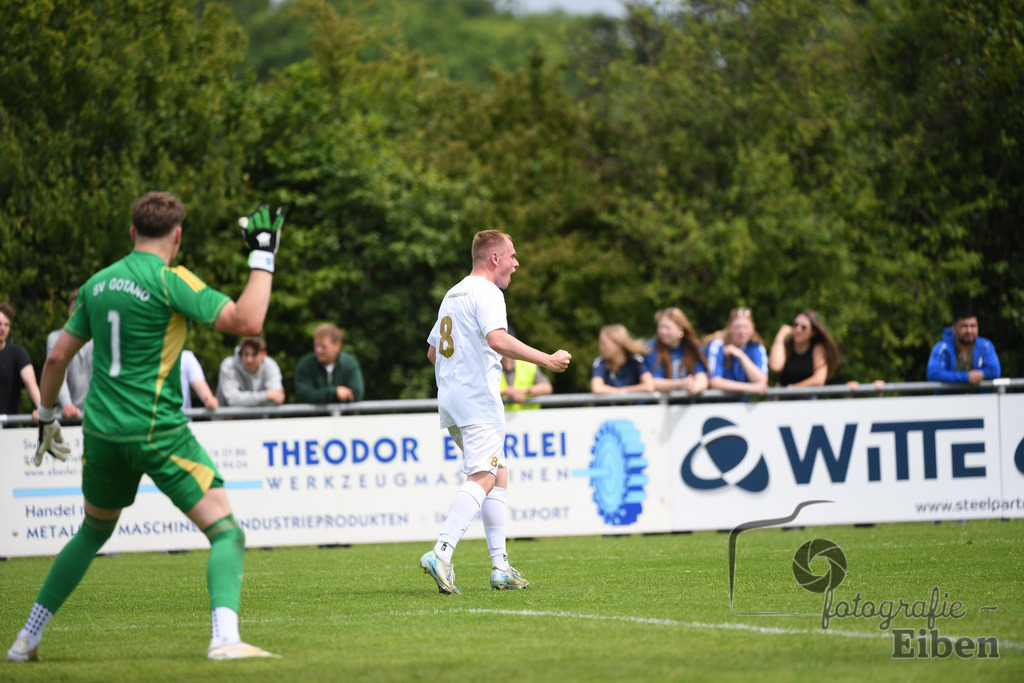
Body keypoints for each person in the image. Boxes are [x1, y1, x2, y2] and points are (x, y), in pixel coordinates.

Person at [7, 193, 285, 662]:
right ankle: (224, 639)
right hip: (157, 429)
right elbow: (248, 320)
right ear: (178, 236)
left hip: (102, 433)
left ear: (132, 232)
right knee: (226, 533)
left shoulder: (96, 284)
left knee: (92, 532)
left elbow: (56, 358)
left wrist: (48, 415)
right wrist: (263, 255)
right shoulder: (169, 280)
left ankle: (25, 639)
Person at [421, 230, 571, 595]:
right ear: (494, 258)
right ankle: (441, 551)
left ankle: (500, 566)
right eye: (512, 256)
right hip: (478, 401)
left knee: (498, 473)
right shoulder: (487, 292)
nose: (516, 263)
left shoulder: (453, 293)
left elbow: (432, 353)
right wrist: (546, 359)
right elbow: (497, 339)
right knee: (485, 475)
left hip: (453, 400)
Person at [46, 289, 94, 420]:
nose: (78, 314)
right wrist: (67, 404)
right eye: (75, 309)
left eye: (82, 309)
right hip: (62, 415)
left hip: (91, 415)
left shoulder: (98, 339)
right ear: (69, 311)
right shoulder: (55, 338)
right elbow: (56, 371)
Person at [926, 307, 1001, 385]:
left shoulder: (985, 345)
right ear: (954, 328)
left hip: (977, 393)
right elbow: (933, 374)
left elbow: (995, 371)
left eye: (973, 326)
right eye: (964, 326)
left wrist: (977, 375)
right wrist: (966, 377)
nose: (969, 331)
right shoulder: (942, 348)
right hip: (950, 393)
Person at [293, 324, 365, 404]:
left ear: (337, 346)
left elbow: (356, 394)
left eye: (323, 346)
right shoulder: (306, 364)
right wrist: (334, 392)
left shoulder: (349, 363)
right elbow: (303, 395)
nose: (318, 350)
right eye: (316, 345)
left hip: (344, 413)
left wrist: (320, 396)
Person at [705, 307, 768, 396]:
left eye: (745, 327)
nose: (742, 331)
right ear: (730, 328)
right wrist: (749, 388)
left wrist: (741, 355)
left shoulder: (756, 347)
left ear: (752, 328)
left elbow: (762, 380)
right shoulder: (717, 345)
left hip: (742, 403)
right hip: (716, 402)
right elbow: (714, 382)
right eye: (737, 327)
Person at [768, 309, 840, 387]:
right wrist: (781, 335)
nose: (798, 329)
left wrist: (792, 389)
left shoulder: (817, 348)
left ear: (813, 332)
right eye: (795, 325)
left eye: (803, 327)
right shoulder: (786, 346)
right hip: (782, 394)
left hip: (805, 394)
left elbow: (819, 380)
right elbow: (775, 367)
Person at [645, 307, 708, 395]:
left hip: (687, 401)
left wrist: (693, 388)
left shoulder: (692, 347)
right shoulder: (651, 347)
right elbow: (652, 382)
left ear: (680, 328)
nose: (662, 332)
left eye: (667, 328)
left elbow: (702, 377)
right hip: (662, 402)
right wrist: (680, 384)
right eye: (660, 327)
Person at [0, 301, 41, 420]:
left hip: (10, 425)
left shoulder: (18, 353)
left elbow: (30, 382)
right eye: (0, 324)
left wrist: (41, 407)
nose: (2, 328)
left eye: (6, 325)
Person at [216, 336, 285, 407]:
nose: (249, 360)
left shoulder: (271, 365)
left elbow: (277, 398)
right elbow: (232, 401)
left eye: (254, 354)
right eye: (246, 354)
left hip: (261, 414)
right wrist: (267, 395)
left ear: (264, 355)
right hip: (228, 414)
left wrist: (245, 400)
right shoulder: (228, 366)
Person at [591, 324, 656, 394]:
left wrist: (625, 390)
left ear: (619, 345)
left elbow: (649, 386)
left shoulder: (636, 360)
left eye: (604, 344)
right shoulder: (600, 362)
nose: (601, 348)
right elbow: (597, 388)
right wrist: (619, 392)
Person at [499, 326, 552, 410]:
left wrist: (524, 392)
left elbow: (546, 387)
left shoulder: (527, 364)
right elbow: (481, 393)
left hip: (528, 417)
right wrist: (504, 393)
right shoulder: (489, 367)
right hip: (501, 417)